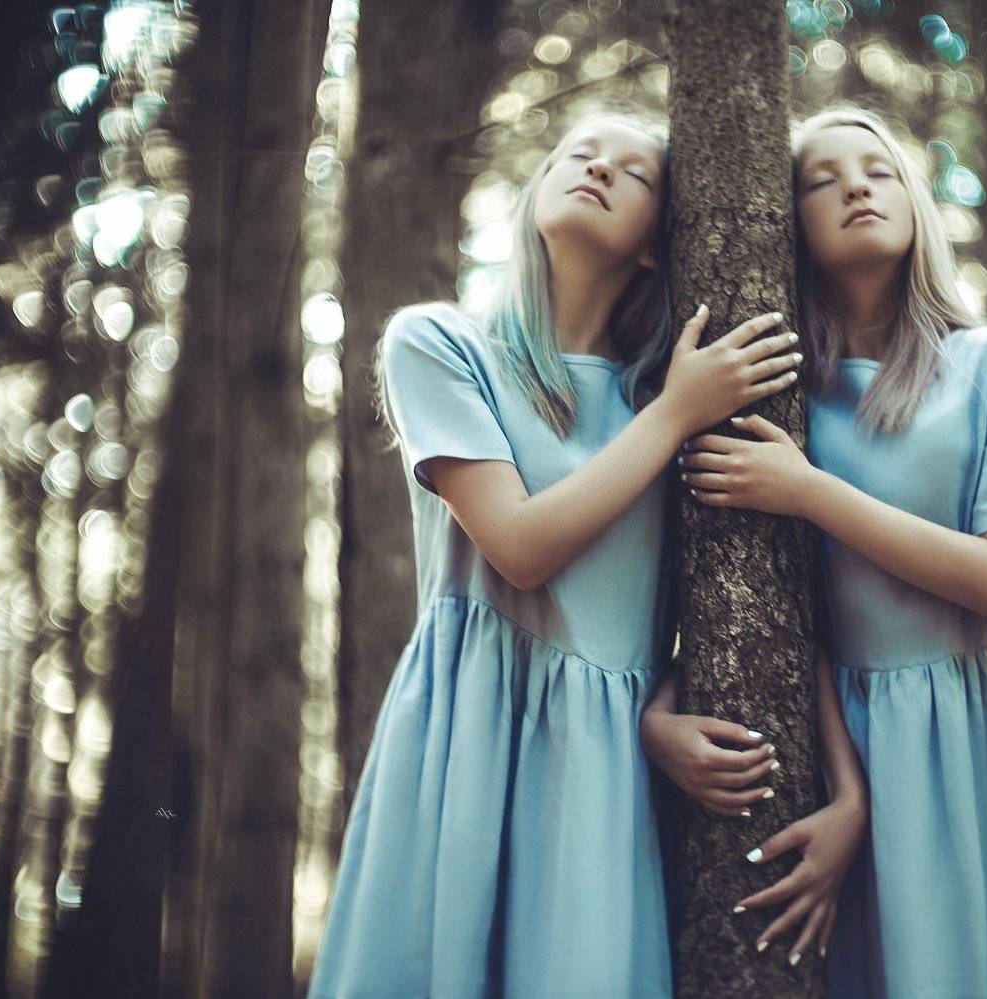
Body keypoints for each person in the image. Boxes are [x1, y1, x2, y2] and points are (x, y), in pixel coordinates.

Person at [308, 114, 803, 998]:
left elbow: (715, 604)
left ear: (655, 245)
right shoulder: (442, 346)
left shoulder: (666, 396)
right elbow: (521, 548)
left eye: (633, 173)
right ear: (537, 194)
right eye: (581, 155)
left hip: (604, 772)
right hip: (469, 737)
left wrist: (655, 713)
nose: (600, 169)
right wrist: (675, 414)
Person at [677, 106, 987, 998]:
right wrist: (851, 795)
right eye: (822, 180)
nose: (856, 187)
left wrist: (808, 490)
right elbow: (794, 624)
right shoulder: (787, 401)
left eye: (880, 170)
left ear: (915, 202)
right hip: (872, 752)